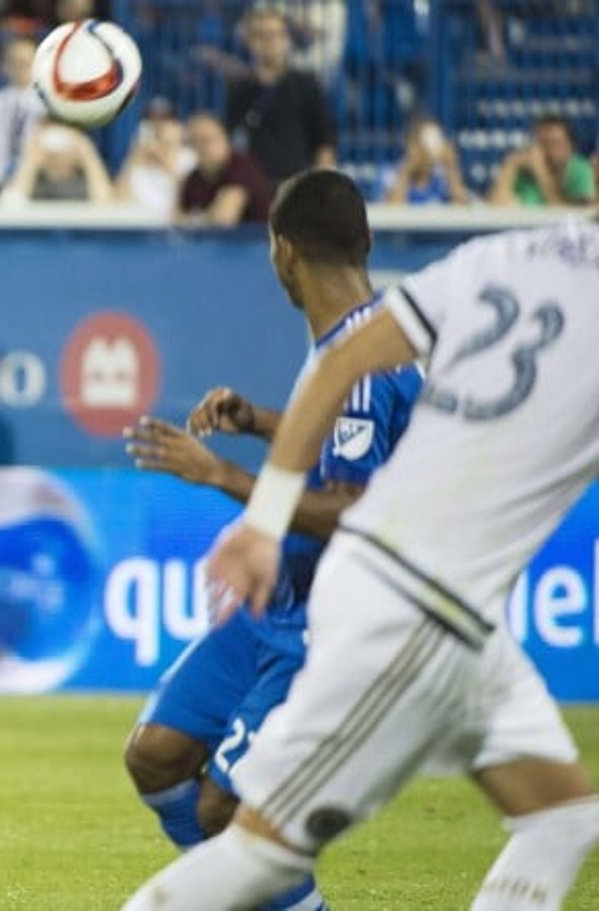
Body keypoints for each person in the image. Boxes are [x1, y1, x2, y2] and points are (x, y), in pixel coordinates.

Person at [122, 216, 599, 909]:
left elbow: (344, 362)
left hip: (432, 605)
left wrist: (260, 509)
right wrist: (254, 508)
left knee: (560, 818)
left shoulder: (499, 253)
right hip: (419, 598)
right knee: (252, 841)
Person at [123, 168, 421, 911]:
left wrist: (221, 473)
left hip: (327, 622)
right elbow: (342, 453)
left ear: (281, 252)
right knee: (158, 757)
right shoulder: (353, 343)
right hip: (278, 600)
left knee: (228, 813)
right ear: (365, 241)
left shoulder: (361, 360)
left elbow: (353, 505)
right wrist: (257, 420)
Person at [225, 5, 336, 187]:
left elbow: (324, 141)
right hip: (254, 191)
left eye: (276, 34)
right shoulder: (239, 89)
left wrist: (321, 187)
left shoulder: (306, 84)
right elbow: (230, 140)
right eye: (262, 35)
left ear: (287, 38)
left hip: (298, 188)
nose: (270, 42)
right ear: (250, 41)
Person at [0, 35, 47, 195]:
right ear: (5, 66)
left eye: (25, 63)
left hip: (36, 183)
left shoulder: (48, 104)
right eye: (14, 62)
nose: (20, 68)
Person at [177, 113, 271, 226]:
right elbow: (177, 219)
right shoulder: (193, 178)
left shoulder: (241, 166)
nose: (201, 148)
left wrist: (194, 219)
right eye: (194, 142)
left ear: (224, 138)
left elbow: (223, 219)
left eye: (207, 140)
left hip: (257, 240)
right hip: (210, 242)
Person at [488, 114, 595, 207]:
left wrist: (541, 172)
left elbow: (568, 211)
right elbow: (496, 205)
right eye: (544, 143)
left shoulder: (580, 169)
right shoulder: (526, 171)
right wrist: (511, 165)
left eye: (557, 143)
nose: (550, 151)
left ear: (571, 146)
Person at [0, 120, 113, 204]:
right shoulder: (31, 182)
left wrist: (88, 155)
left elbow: (106, 207)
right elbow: (10, 206)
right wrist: (30, 161)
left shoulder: (86, 182)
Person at [115, 108, 195, 218]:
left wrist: (162, 161)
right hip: (141, 223)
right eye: (152, 123)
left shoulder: (190, 157)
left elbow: (191, 197)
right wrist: (132, 160)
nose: (159, 127)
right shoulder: (137, 162)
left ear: (179, 128)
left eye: (165, 122)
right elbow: (118, 200)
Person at [381, 115, 469, 205]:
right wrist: (407, 168)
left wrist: (451, 168)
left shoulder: (441, 177)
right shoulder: (390, 173)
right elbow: (392, 210)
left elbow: (463, 209)